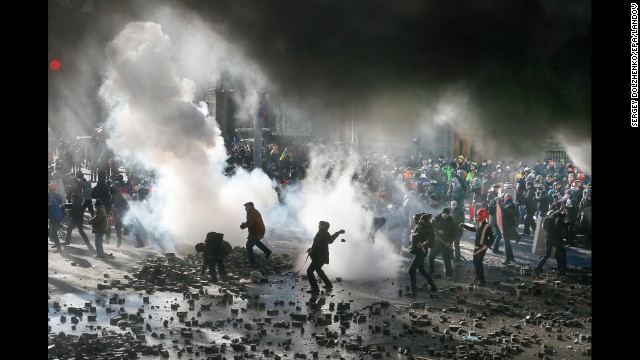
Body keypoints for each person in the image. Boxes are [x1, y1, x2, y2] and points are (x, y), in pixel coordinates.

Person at [305, 221, 345, 294]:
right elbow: (317, 244)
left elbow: (329, 241)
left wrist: (338, 232)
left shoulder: (324, 233)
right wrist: (311, 249)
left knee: (309, 271)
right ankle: (328, 285)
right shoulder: (321, 233)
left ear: (324, 226)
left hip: (320, 257)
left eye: (320, 225)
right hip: (319, 256)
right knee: (318, 269)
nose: (318, 226)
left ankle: (315, 288)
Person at [460, 208, 494, 286]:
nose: (477, 216)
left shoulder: (487, 226)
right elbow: (474, 229)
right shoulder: (478, 223)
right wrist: (465, 226)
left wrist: (487, 245)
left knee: (478, 262)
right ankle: (478, 275)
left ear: (483, 216)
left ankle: (482, 281)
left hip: (482, 247)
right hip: (476, 246)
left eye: (479, 215)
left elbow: (492, 238)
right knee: (475, 261)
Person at [406, 213, 438, 297]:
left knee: (411, 271)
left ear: (424, 221)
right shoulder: (420, 224)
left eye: (421, 220)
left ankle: (413, 291)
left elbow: (430, 240)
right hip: (418, 250)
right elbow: (415, 216)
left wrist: (424, 244)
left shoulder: (427, 227)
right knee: (421, 269)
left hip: (421, 251)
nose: (419, 221)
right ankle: (434, 286)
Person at [533, 207, 568, 277]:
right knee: (562, 253)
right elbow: (561, 230)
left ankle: (538, 267)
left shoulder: (547, 219)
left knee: (547, 254)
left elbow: (544, 228)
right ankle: (563, 270)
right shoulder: (559, 219)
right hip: (557, 239)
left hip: (548, 238)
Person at [240, 202, 272, 266]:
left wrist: (243, 225)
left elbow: (250, 222)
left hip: (256, 231)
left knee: (249, 245)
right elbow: (252, 221)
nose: (245, 208)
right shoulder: (254, 211)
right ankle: (267, 251)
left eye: (246, 206)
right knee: (256, 241)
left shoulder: (250, 212)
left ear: (250, 206)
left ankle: (252, 262)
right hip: (260, 230)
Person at [428, 208, 457, 278]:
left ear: (449, 214)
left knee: (446, 259)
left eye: (447, 214)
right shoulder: (436, 219)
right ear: (442, 213)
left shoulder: (451, 222)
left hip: (445, 244)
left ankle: (448, 275)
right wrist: (437, 231)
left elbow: (454, 234)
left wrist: (449, 242)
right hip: (436, 242)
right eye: (444, 213)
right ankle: (431, 272)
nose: (445, 215)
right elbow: (432, 227)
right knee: (430, 257)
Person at [501, 193, 521, 264]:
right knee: (507, 243)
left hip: (507, 228)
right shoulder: (514, 206)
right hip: (512, 227)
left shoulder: (506, 208)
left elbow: (504, 220)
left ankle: (508, 259)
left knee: (506, 244)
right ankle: (511, 257)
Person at [48, 184, 64, 252]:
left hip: (55, 218)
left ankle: (59, 247)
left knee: (53, 233)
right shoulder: (55, 196)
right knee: (52, 232)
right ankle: (57, 244)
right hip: (55, 216)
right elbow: (60, 202)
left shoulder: (50, 199)